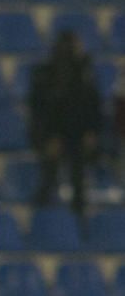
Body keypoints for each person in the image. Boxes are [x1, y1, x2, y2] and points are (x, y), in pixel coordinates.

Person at [29, 30, 101, 217]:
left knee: (78, 181)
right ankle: (41, 219)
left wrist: (91, 131)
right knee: (48, 180)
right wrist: (48, 136)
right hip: (53, 135)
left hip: (77, 135)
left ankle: (79, 222)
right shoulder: (47, 75)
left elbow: (92, 104)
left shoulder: (85, 72)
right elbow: (40, 109)